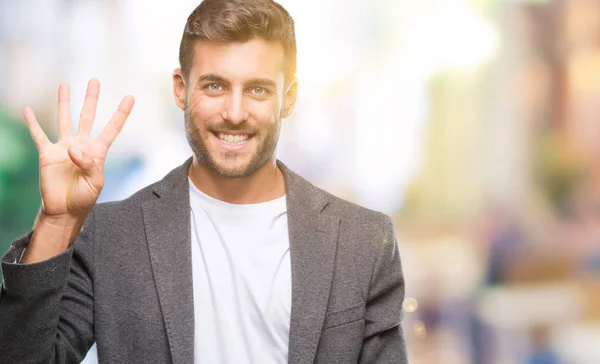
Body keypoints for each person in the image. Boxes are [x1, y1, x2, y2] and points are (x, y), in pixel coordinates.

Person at [0, 0, 407, 363]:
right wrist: (56, 223)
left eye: (258, 90)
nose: (234, 112)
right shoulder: (112, 237)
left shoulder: (362, 242)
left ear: (289, 98)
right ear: (181, 89)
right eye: (215, 86)